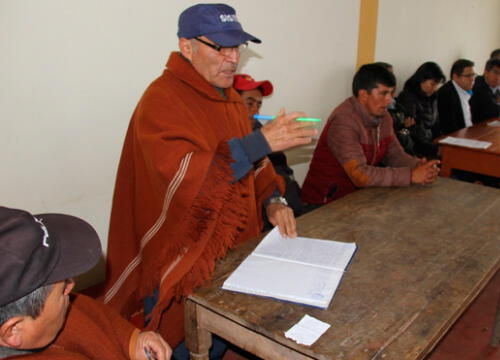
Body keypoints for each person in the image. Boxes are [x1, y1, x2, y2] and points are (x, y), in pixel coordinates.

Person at [101, 3, 316, 357]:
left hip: (230, 246)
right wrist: (261, 141)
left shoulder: (229, 97)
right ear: (187, 47)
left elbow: (254, 163)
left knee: (221, 329)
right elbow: (184, 179)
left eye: (237, 48)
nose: (233, 59)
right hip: (185, 250)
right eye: (221, 47)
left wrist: (273, 201)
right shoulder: (161, 100)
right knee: (181, 339)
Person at [0, 206, 172, 360]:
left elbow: (89, 314)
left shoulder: (37, 321)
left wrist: (131, 340)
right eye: (62, 290)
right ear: (13, 330)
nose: (71, 286)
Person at [300, 64, 439, 206]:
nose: (390, 100)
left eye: (391, 93)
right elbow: (360, 175)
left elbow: (394, 155)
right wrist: (410, 176)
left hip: (358, 199)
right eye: (384, 93)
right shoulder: (344, 121)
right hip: (323, 205)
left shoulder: (384, 117)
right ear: (363, 95)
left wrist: (418, 166)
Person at [233, 73, 309, 217]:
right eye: (249, 103)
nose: (256, 110)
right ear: (231, 102)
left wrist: (275, 200)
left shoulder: (259, 130)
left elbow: (275, 176)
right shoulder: (222, 136)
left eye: (258, 104)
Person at [395, 62, 446, 158]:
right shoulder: (408, 98)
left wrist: (441, 140)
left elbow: (436, 124)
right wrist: (434, 149)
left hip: (431, 143)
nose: (435, 88)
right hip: (417, 147)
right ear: (422, 80)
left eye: (437, 85)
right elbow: (408, 132)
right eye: (432, 84)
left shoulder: (433, 97)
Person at [437, 59, 476, 136]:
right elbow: (449, 128)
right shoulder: (446, 94)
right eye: (468, 76)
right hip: (456, 138)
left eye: (473, 75)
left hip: (469, 133)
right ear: (455, 77)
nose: (472, 79)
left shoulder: (469, 89)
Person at [469, 59, 500, 123]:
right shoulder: (478, 85)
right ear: (486, 72)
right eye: (495, 72)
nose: (498, 77)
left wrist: (499, 104)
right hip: (475, 127)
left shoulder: (496, 89)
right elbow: (494, 113)